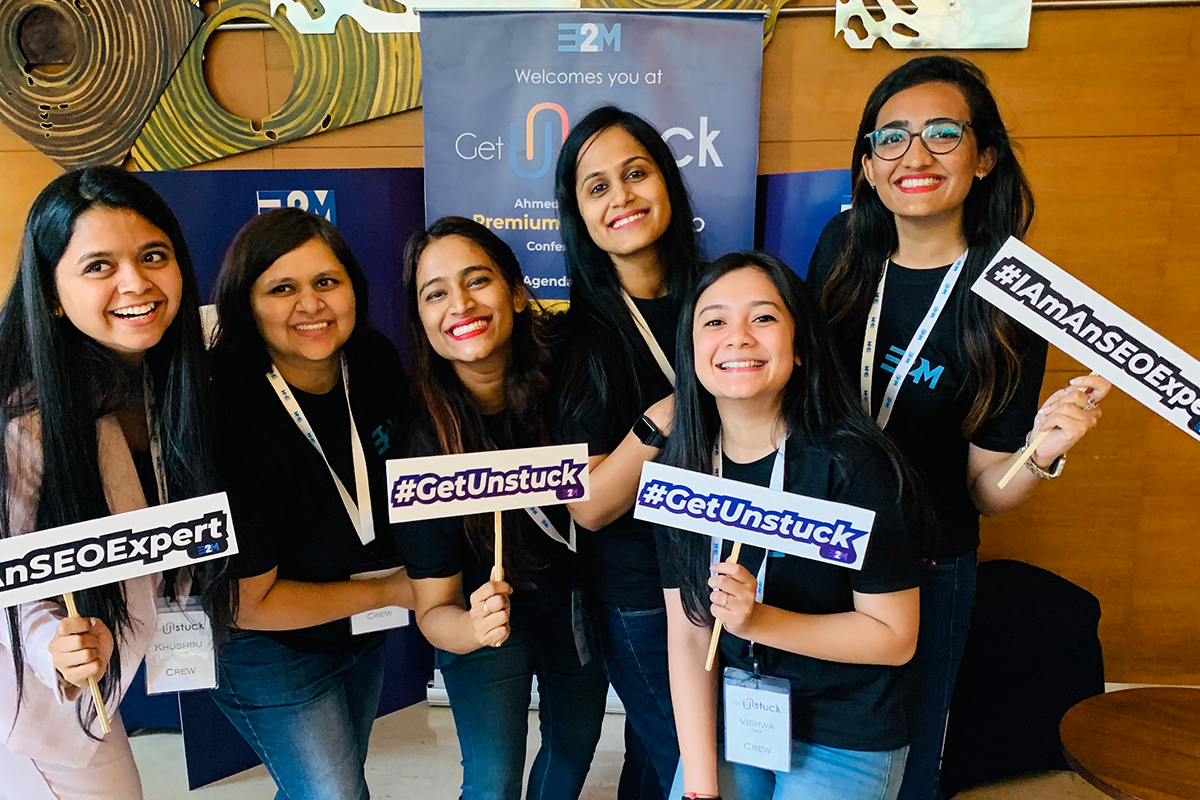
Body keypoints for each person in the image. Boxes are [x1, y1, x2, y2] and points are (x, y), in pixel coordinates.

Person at [805, 55, 1111, 800]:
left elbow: (987, 490)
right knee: (813, 742)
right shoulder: (841, 250)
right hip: (820, 539)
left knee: (909, 754)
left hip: (930, 560)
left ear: (985, 157)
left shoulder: (1012, 294)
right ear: (868, 166)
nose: (914, 155)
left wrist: (1042, 451)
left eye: (943, 133)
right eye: (891, 138)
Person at [0, 166, 228, 799]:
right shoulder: (23, 420)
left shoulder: (178, 376)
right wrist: (51, 645)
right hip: (32, 695)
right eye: (99, 266)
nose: (136, 283)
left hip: (113, 666)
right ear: (51, 292)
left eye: (153, 256)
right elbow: (10, 576)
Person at [661, 252, 920, 800]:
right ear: (691, 351)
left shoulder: (855, 465)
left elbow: (895, 638)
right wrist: (700, 789)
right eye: (714, 321)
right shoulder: (680, 471)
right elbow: (689, 633)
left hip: (844, 729)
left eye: (763, 317)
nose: (737, 337)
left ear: (800, 347)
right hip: (736, 716)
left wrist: (759, 621)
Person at [397, 217, 608, 800]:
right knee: (493, 781)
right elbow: (432, 609)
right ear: (421, 321)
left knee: (572, 752)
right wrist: (470, 626)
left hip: (575, 597)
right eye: (435, 294)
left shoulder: (573, 367)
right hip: (482, 607)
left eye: (477, 281)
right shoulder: (422, 441)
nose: (460, 304)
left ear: (516, 292)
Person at [207, 208, 414, 800]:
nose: (311, 304)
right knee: (336, 793)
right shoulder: (229, 409)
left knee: (322, 787)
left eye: (326, 281)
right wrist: (392, 591)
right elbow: (249, 605)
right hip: (269, 646)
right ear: (246, 304)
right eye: (281, 289)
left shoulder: (371, 358)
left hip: (358, 625)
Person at [553, 104, 699, 799]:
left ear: (667, 180)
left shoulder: (725, 296)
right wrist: (665, 417)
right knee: (690, 765)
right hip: (641, 590)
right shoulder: (571, 341)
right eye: (597, 186)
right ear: (578, 214)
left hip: (734, 574)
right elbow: (588, 507)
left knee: (651, 762)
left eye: (636, 173)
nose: (623, 197)